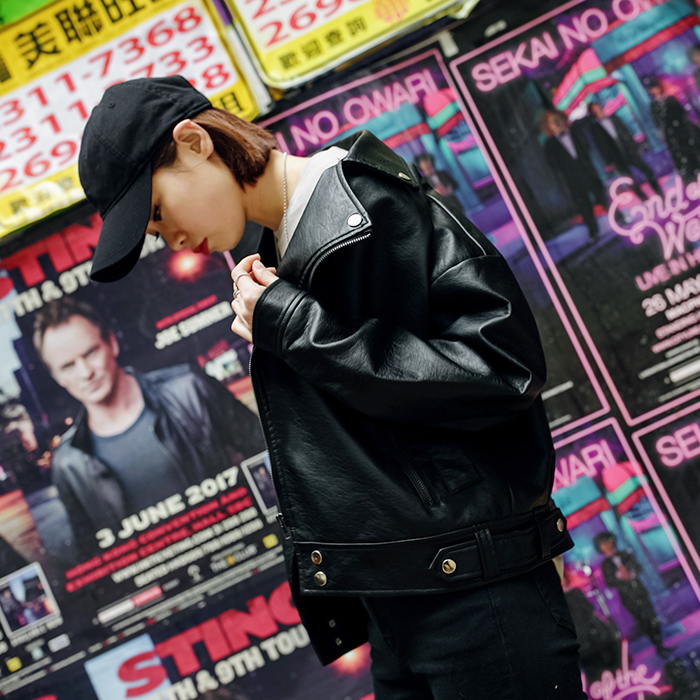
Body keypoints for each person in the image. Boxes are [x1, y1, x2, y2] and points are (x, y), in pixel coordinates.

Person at [78, 76, 582, 699]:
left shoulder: (363, 206)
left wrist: (296, 326)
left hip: (474, 593)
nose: (172, 239)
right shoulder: (280, 250)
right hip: (401, 600)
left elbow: (503, 371)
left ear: (195, 142)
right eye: (157, 234)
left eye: (158, 212)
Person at [33, 296, 264, 546]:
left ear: (112, 343)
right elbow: (91, 551)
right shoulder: (68, 462)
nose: (85, 372)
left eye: (91, 352)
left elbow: (269, 451)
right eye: (68, 366)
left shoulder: (189, 389)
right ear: (57, 377)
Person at [594, 531, 674, 659]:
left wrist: (630, 573)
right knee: (643, 622)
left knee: (653, 618)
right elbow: (609, 582)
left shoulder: (625, 554)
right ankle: (658, 646)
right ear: (600, 547)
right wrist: (619, 576)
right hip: (628, 597)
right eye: (603, 543)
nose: (607, 545)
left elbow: (638, 567)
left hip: (640, 592)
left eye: (608, 541)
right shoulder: (605, 565)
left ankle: (661, 644)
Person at [541, 108, 609, 240]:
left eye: (558, 119)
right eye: (553, 122)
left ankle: (618, 217)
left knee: (601, 195)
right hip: (572, 180)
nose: (557, 123)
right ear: (548, 126)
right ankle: (593, 232)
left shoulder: (576, 132)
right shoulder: (550, 145)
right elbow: (552, 165)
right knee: (584, 206)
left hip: (588, 172)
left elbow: (586, 148)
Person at [587, 101, 663, 200]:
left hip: (628, 150)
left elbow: (626, 131)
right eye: (595, 107)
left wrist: (633, 146)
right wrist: (609, 161)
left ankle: (659, 193)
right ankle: (644, 199)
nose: (598, 107)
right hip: (616, 156)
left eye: (597, 105)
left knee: (647, 170)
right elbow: (600, 146)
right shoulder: (595, 128)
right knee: (630, 180)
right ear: (592, 111)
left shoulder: (613, 118)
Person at [647, 77, 700, 186]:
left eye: (655, 87)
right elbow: (657, 121)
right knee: (681, 157)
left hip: (682, 131)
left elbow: (681, 113)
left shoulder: (670, 99)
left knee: (691, 152)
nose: (654, 90)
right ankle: (691, 180)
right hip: (671, 135)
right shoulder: (654, 106)